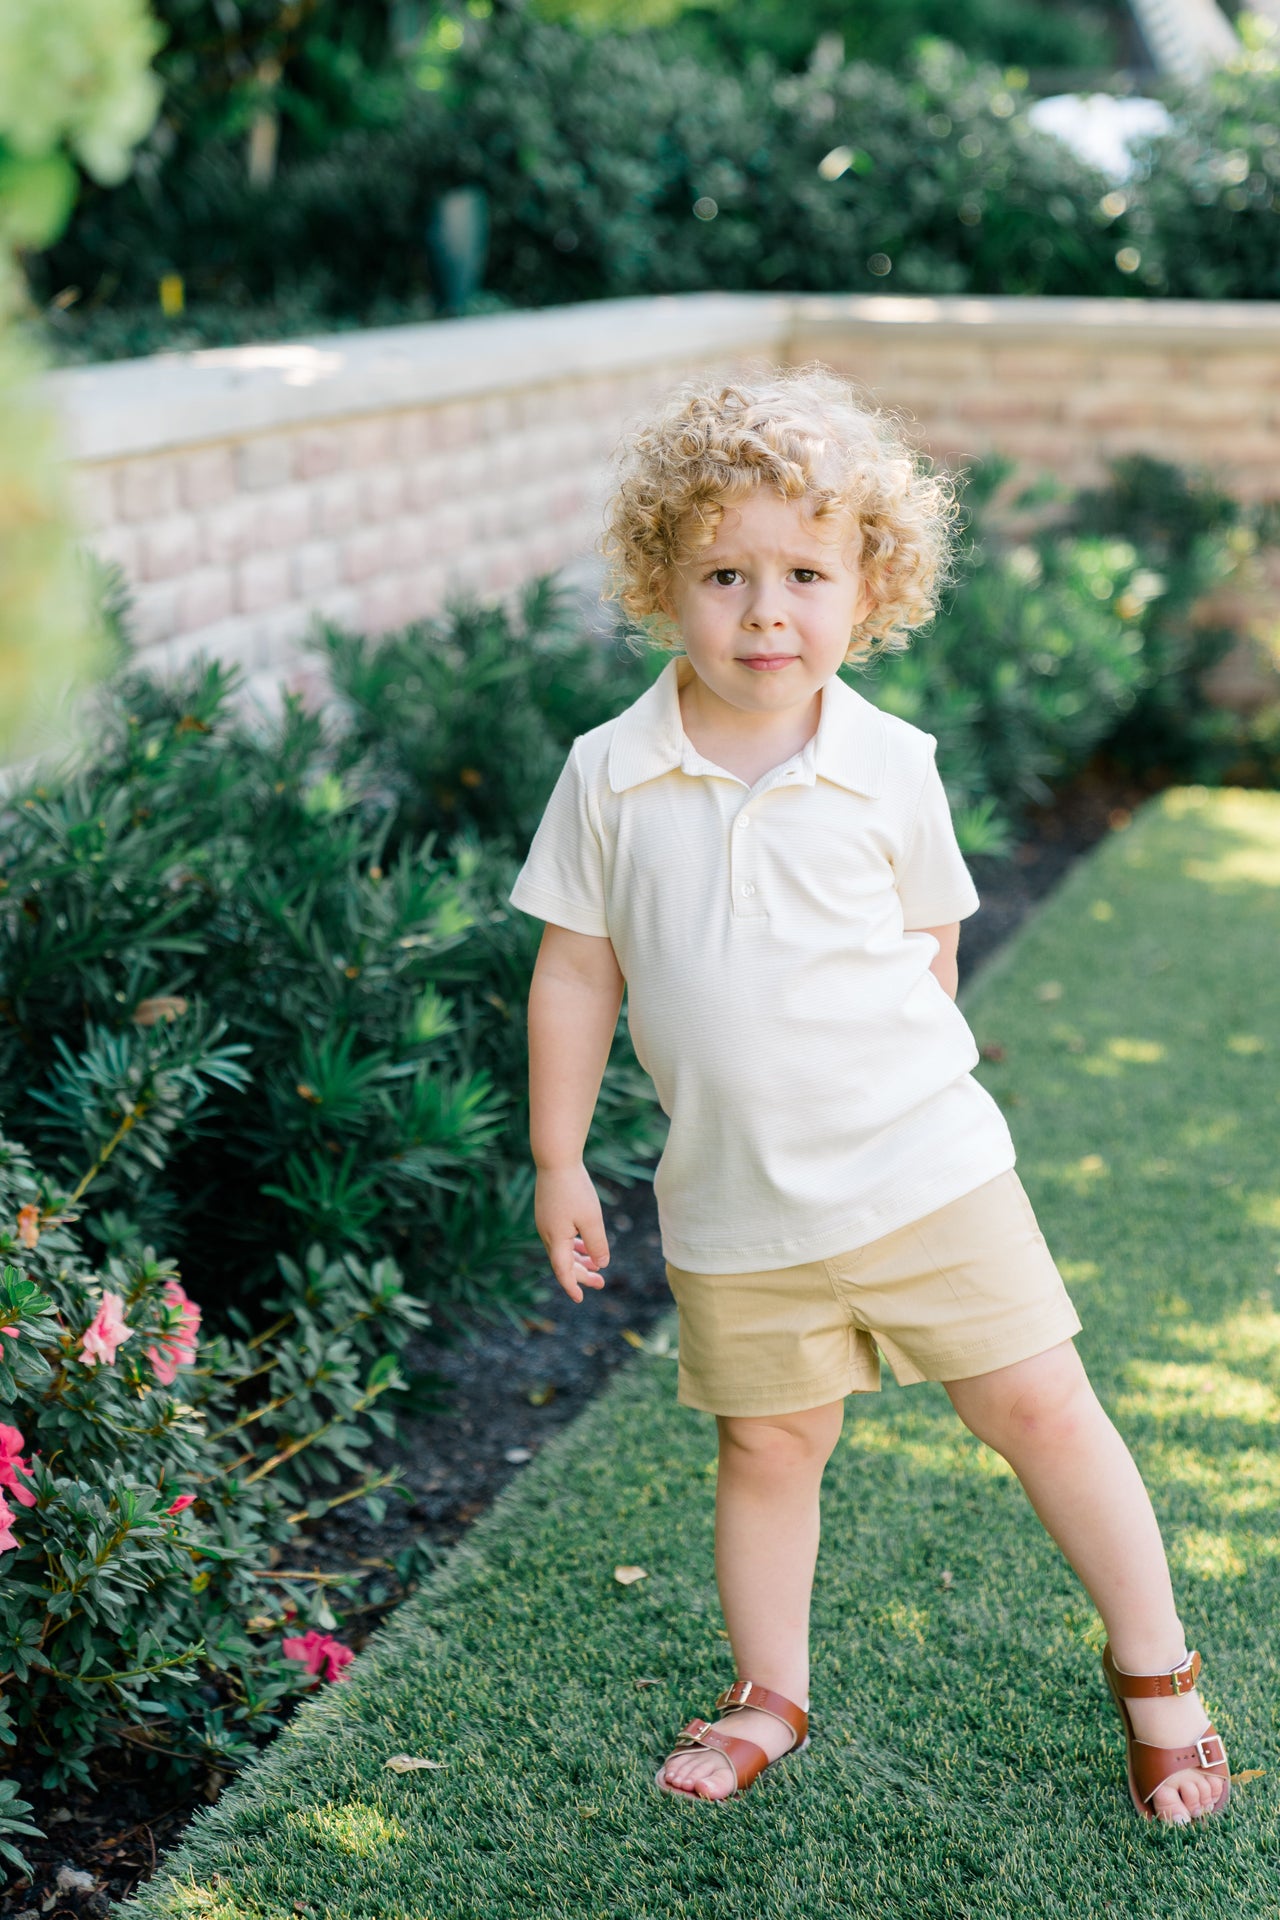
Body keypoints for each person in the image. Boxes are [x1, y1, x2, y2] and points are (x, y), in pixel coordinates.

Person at [508, 366, 1231, 1825]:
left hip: (923, 1176)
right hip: (731, 1200)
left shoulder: (889, 764)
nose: (765, 611)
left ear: (869, 586)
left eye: (803, 573)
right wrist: (560, 1157)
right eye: (724, 573)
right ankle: (771, 1688)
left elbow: (933, 947)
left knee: (1040, 1404)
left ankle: (1158, 1672)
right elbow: (578, 974)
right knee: (772, 1445)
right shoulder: (609, 775)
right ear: (662, 583)